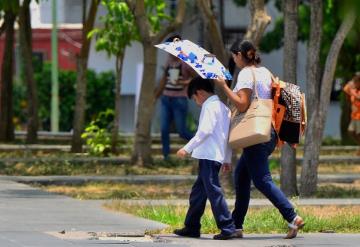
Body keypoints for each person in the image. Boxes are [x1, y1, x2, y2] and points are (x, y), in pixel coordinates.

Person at [214, 40, 304, 239]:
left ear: (239, 55)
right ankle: (236, 225)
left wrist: (224, 87)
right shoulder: (265, 72)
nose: (234, 60)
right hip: (269, 132)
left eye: (234, 56)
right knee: (242, 177)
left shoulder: (246, 74)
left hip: (255, 134)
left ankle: (292, 216)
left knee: (263, 181)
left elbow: (243, 105)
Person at [174, 77, 240, 240]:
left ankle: (227, 226)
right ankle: (192, 226)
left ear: (200, 93)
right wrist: (227, 158)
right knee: (198, 193)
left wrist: (186, 148)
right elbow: (227, 137)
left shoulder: (210, 107)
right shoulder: (224, 108)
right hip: (214, 156)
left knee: (213, 191)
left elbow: (204, 131)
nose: (196, 102)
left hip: (208, 156)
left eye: (195, 98)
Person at [154, 35, 195, 160]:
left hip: (179, 99)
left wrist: (185, 83)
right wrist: (155, 95)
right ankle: (166, 156)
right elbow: (164, 79)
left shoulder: (185, 61)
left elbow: (196, 78)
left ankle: (199, 145)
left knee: (182, 131)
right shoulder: (169, 61)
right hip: (166, 98)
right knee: (164, 129)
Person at [343, 73, 360, 153]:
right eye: (354, 81)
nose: (355, 83)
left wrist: (351, 91)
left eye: (356, 81)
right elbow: (346, 90)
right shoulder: (354, 89)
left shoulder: (356, 91)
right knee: (351, 131)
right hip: (354, 116)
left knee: (358, 133)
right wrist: (350, 85)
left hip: (359, 116)